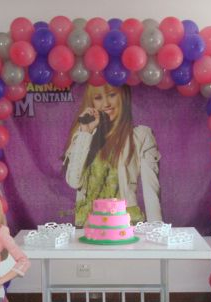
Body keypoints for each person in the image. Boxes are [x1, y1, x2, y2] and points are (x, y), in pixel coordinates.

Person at [62, 84, 162, 227]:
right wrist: (86, 132)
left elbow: (151, 192)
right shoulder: (83, 136)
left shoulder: (141, 136)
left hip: (125, 225)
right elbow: (74, 181)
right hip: (87, 225)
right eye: (98, 98)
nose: (106, 104)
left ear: (123, 97)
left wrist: (157, 231)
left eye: (112, 95)